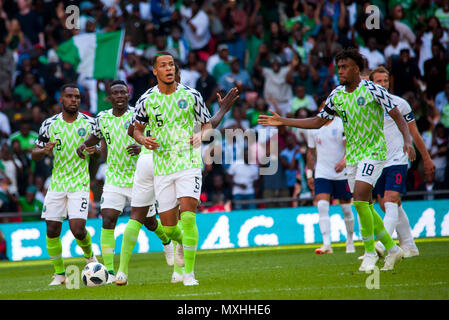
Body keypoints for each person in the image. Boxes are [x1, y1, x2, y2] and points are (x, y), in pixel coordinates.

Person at [259, 48, 416, 272]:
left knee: (360, 198)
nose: (340, 71)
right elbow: (317, 122)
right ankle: (393, 249)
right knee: (366, 206)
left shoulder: (372, 90)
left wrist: (407, 140)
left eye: (344, 67)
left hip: (374, 152)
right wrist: (283, 121)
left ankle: (370, 253)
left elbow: (397, 115)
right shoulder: (336, 95)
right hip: (353, 156)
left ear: (356, 68)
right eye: (338, 67)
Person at [126, 52, 239, 286]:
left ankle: (189, 274)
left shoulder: (191, 95)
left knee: (188, 217)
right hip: (162, 167)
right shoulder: (146, 100)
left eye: (171, 65)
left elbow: (207, 126)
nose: (168, 69)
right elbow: (136, 129)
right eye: (163, 65)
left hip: (188, 164)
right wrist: (143, 140)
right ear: (155, 71)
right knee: (168, 228)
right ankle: (179, 242)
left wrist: (201, 135)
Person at [76, 80, 173, 284]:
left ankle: (166, 241)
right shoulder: (102, 118)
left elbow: (156, 138)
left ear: (128, 95)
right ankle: (110, 272)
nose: (120, 96)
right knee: (108, 219)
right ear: (109, 98)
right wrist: (85, 146)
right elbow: (96, 137)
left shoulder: (138, 114)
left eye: (123, 92)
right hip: (113, 178)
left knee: (150, 222)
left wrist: (142, 147)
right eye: (115, 93)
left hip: (140, 177)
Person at [31, 84, 98, 286]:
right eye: (69, 96)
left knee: (78, 229)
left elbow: (101, 148)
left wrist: (94, 150)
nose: (73, 100)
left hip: (79, 184)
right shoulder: (49, 124)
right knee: (51, 228)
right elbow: (34, 154)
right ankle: (60, 274)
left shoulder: (89, 123)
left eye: (77, 97)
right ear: (61, 99)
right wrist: (44, 151)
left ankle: (91, 258)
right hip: (57, 184)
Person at [367, 66, 436, 258]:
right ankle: (409, 246)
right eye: (378, 81)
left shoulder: (400, 104)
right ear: (371, 84)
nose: (382, 84)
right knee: (388, 204)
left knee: (390, 201)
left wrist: (427, 158)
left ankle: (382, 245)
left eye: (385, 81)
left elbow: (414, 133)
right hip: (378, 161)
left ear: (390, 82)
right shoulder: (366, 107)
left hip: (398, 159)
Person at [306, 109, 355, 255]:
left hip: (342, 173)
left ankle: (350, 240)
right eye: (322, 107)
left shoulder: (342, 124)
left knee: (346, 209)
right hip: (322, 173)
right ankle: (326, 244)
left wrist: (344, 162)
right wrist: (309, 174)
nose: (324, 109)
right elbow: (311, 152)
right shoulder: (313, 127)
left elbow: (350, 146)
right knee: (321, 206)